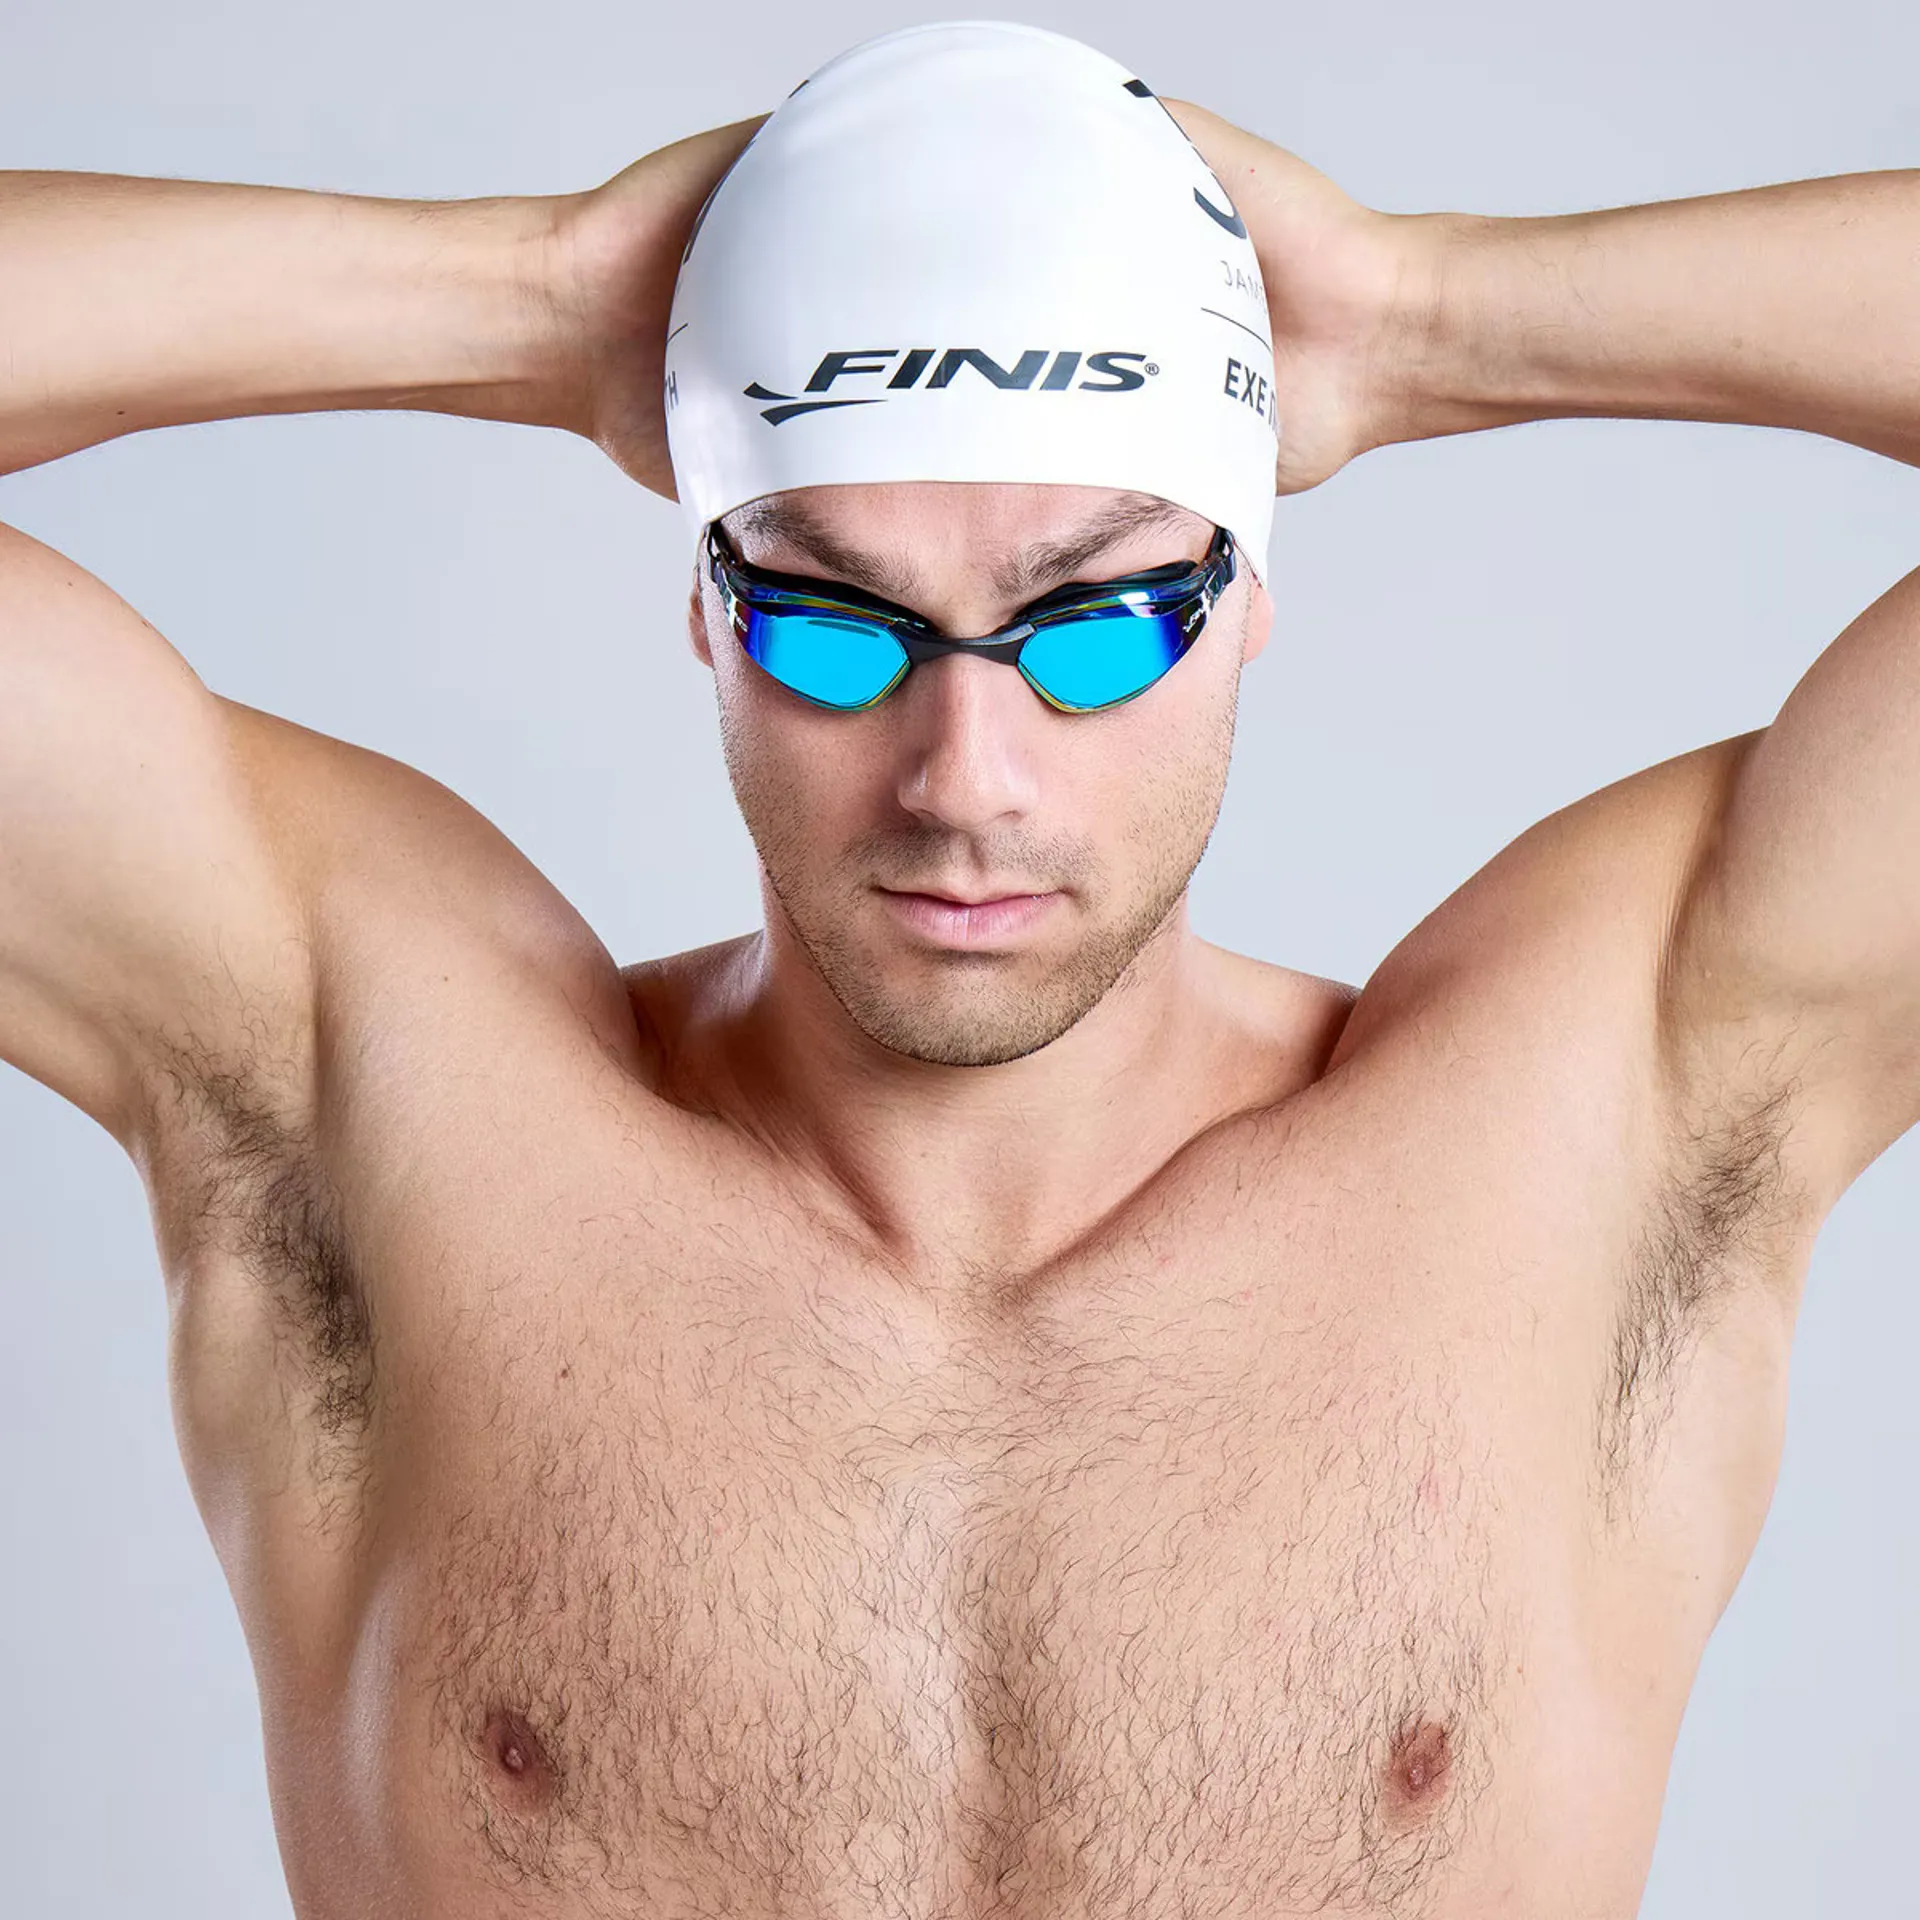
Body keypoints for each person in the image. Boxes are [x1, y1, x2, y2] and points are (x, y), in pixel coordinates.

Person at [1, 15, 1915, 1916]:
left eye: (1096, 628)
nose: (964, 778)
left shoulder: (1606, 1111)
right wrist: (540, 294)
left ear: (1245, 600)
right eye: (833, 626)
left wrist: (1431, 316)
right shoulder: (374, 1089)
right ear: (707, 610)